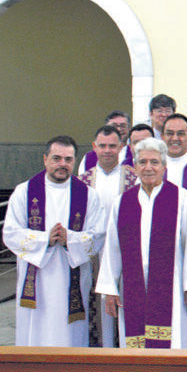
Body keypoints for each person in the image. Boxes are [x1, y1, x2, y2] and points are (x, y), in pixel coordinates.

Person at [95, 138, 187, 349]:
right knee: (136, 341)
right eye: (143, 162)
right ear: (135, 166)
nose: (148, 168)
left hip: (173, 286)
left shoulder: (180, 198)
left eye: (154, 162)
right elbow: (112, 247)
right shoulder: (123, 202)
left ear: (164, 166)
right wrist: (110, 288)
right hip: (132, 287)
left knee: (175, 341)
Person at [3, 135, 105, 346]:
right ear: (45, 159)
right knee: (36, 333)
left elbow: (99, 235)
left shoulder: (89, 196)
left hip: (72, 280)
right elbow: (11, 233)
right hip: (36, 282)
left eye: (68, 159)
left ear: (74, 161)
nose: (62, 164)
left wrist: (72, 240)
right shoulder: (24, 192)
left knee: (71, 337)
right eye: (56, 158)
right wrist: (44, 240)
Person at [79, 124, 138, 347]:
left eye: (112, 146)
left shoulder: (134, 178)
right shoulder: (83, 181)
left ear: (122, 148)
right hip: (92, 253)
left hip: (123, 252)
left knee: (122, 304)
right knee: (95, 305)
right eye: (102, 146)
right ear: (94, 147)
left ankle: (122, 351)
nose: (107, 150)